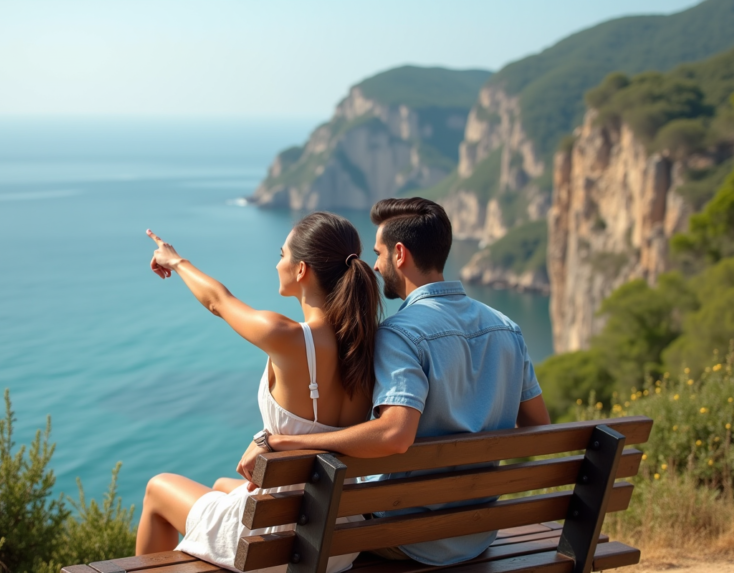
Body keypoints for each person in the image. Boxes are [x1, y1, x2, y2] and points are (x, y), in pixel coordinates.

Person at [238, 197, 551, 566]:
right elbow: (539, 427)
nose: (373, 265)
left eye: (379, 253)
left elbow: (395, 434)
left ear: (399, 254)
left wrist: (285, 442)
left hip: (406, 538)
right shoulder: (507, 327)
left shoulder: (399, 334)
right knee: (229, 496)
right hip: (478, 532)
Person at [137, 212, 382, 573]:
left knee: (158, 488)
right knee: (222, 485)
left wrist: (175, 260)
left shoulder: (288, 337)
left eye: (282, 254)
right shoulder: (371, 344)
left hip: (281, 543)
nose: (278, 263)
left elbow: (218, 301)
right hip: (339, 536)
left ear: (301, 271)